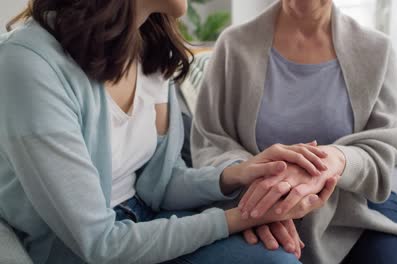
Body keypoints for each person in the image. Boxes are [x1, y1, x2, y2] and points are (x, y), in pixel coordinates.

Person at [0, 0, 339, 263]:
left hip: (148, 219)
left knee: (277, 259)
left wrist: (238, 175)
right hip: (83, 251)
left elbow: (160, 184)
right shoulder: (29, 65)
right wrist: (241, 217)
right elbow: (99, 244)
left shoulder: (147, 49)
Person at [191, 0, 397, 263]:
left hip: (356, 202)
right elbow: (210, 141)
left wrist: (332, 161)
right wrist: (261, 198)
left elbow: (385, 146)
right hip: (256, 201)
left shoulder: (377, 49)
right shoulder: (233, 45)